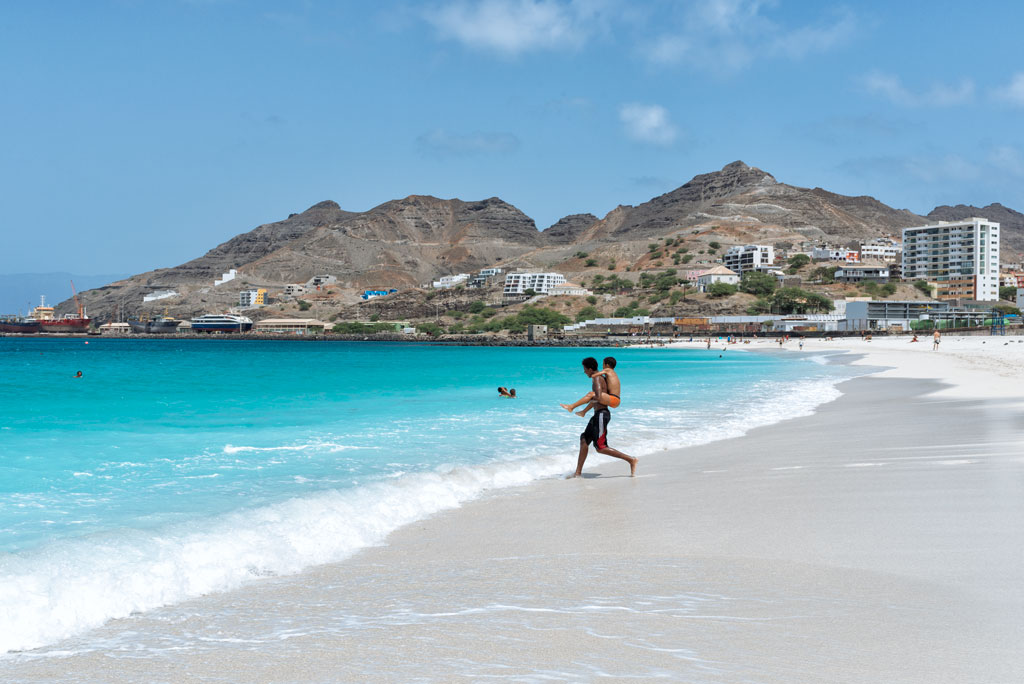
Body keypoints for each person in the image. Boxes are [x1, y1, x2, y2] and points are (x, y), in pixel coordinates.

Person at [566, 357, 636, 478]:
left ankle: (631, 459)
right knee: (584, 439)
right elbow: (596, 400)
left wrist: (583, 405)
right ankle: (577, 473)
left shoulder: (597, 378)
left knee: (601, 447)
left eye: (585, 369)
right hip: (598, 415)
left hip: (602, 415)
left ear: (590, 369)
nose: (584, 372)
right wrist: (584, 411)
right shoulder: (599, 377)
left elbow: (597, 397)